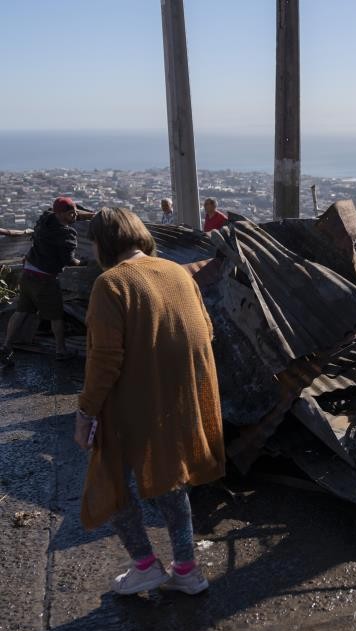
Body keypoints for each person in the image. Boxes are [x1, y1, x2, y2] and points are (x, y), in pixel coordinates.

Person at [73, 207, 225, 595]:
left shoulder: (111, 284)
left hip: (131, 404)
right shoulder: (176, 271)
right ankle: (187, 570)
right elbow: (205, 332)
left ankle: (145, 566)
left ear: (102, 243)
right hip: (179, 400)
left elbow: (104, 360)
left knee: (111, 480)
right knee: (171, 480)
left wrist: (85, 411)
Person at [0, 197, 91, 365]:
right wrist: (84, 262)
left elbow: (68, 212)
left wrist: (88, 215)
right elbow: (69, 260)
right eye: (72, 213)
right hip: (45, 279)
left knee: (21, 311)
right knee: (56, 316)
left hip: (28, 273)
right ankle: (61, 350)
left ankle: (6, 345)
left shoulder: (45, 219)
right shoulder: (66, 233)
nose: (75, 215)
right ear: (62, 214)